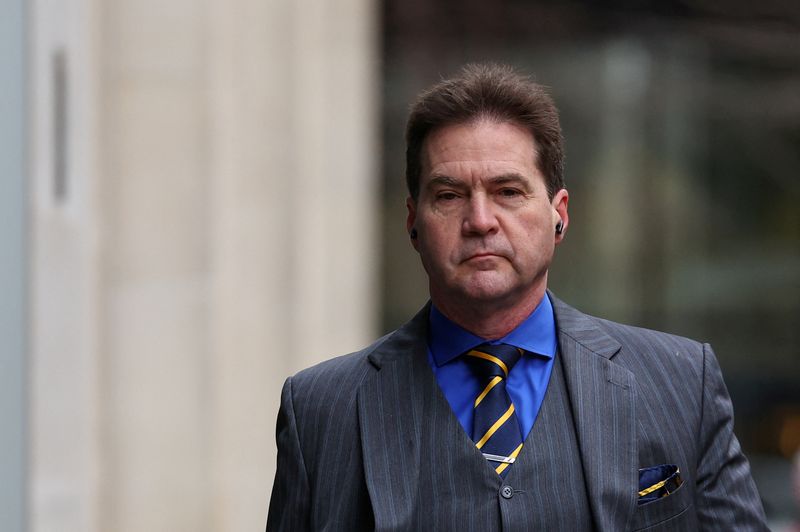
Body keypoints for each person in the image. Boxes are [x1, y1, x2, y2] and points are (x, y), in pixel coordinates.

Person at [266, 63, 768, 531]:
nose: (480, 220)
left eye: (508, 191)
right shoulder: (320, 411)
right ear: (413, 223)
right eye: (448, 195)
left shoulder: (682, 383)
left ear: (559, 215)